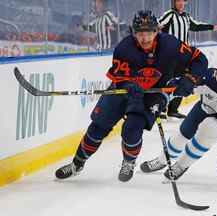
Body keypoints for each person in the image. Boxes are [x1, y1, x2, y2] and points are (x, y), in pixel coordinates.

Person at [55, 10, 208, 182]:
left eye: (148, 33)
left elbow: (199, 59)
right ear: (134, 32)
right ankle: (77, 164)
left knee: (132, 128)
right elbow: (120, 79)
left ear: (157, 31)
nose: (144, 38)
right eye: (140, 33)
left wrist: (190, 78)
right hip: (124, 90)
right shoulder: (124, 48)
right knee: (98, 127)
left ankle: (129, 162)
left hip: (154, 93)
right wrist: (129, 85)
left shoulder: (171, 45)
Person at [140, 60, 217, 188]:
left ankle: (181, 165)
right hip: (203, 109)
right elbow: (184, 85)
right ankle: (162, 160)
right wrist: (164, 96)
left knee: (210, 129)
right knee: (180, 137)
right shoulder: (213, 77)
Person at [158, 0, 217, 119]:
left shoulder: (187, 17)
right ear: (174, 3)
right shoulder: (170, 14)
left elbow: (197, 26)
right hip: (170, 54)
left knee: (184, 80)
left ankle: (173, 109)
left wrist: (213, 27)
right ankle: (161, 108)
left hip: (185, 56)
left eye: (183, 1)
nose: (181, 3)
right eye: (178, 1)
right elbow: (158, 24)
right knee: (167, 78)